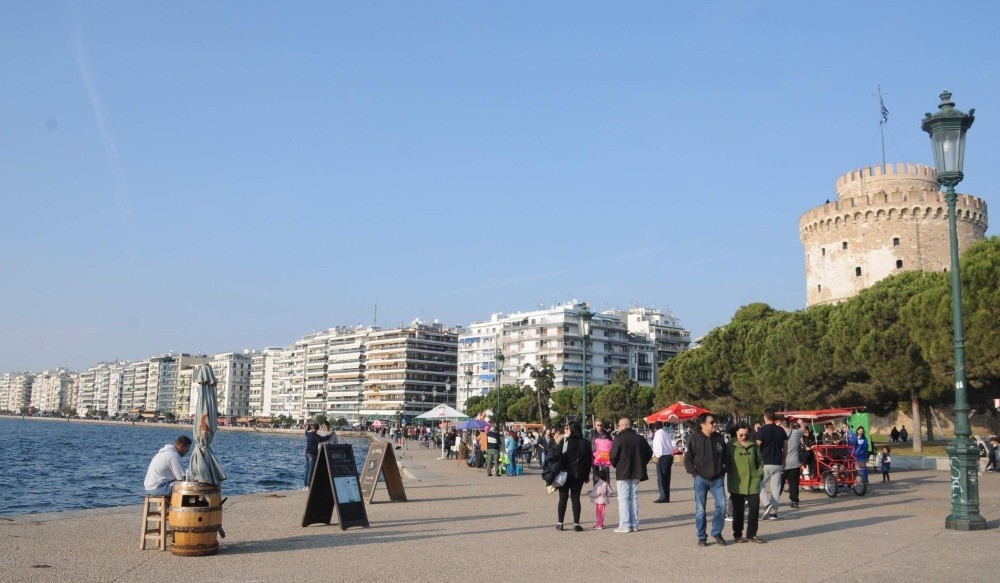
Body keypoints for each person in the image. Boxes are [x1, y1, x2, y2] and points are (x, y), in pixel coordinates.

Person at [684, 413, 728, 547]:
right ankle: (702, 536)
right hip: (700, 479)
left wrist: (723, 470)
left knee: (722, 505)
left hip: (717, 479)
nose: (715, 424)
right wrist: (694, 473)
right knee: (700, 509)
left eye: (715, 422)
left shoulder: (719, 438)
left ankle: (717, 532)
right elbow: (688, 458)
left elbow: (726, 456)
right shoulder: (694, 438)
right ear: (703, 425)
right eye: (712, 422)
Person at [610, 417, 653, 533]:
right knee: (633, 497)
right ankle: (634, 524)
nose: (618, 428)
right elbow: (649, 452)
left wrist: (616, 464)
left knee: (623, 498)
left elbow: (613, 455)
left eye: (619, 425)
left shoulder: (619, 438)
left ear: (624, 425)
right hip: (637, 471)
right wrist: (642, 463)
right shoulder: (640, 438)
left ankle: (624, 524)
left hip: (623, 471)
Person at [726, 423, 765, 544]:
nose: (743, 437)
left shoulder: (753, 445)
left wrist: (759, 474)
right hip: (736, 482)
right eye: (741, 435)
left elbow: (760, 462)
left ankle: (752, 534)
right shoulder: (729, 445)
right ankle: (737, 535)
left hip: (753, 481)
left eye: (746, 435)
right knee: (738, 511)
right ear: (736, 432)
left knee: (754, 509)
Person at [554, 423, 592, 531]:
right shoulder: (586, 443)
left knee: (563, 498)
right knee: (575, 498)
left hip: (565, 473)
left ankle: (560, 523)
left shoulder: (565, 441)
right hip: (579, 474)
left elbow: (557, 456)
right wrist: (586, 475)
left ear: (571, 430)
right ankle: (576, 524)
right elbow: (588, 461)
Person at [756, 411, 787, 520]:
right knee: (776, 489)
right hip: (778, 462)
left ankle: (767, 504)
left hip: (765, 462)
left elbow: (757, 446)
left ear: (765, 417)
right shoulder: (781, 430)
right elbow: (785, 447)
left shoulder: (762, 431)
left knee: (759, 485)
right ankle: (773, 513)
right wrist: (784, 459)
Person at [782, 419, 804, 509]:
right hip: (795, 463)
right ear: (789, 424)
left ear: (782, 425)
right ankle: (794, 501)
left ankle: (774, 502)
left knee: (779, 484)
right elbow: (802, 429)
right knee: (794, 483)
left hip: (783, 463)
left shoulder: (780, 434)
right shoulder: (796, 433)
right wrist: (801, 423)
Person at [652, 421, 675, 503]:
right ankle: (666, 496)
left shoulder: (658, 434)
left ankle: (663, 496)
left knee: (661, 478)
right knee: (667, 477)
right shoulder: (666, 433)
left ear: (655, 427)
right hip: (669, 455)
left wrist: (657, 456)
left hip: (662, 456)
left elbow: (658, 446)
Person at [304, 423, 332, 489]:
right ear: (317, 429)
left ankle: (304, 486)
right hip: (312, 454)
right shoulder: (317, 436)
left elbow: (305, 432)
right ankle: (308, 486)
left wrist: (307, 428)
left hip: (306, 453)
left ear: (312, 428)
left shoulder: (308, 434)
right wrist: (330, 434)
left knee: (306, 470)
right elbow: (324, 439)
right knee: (311, 471)